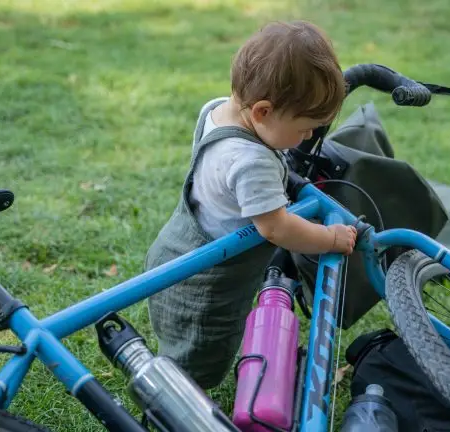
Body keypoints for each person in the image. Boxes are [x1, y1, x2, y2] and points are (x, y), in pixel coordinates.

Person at [144, 20, 357, 389]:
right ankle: (175, 405)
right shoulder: (251, 161)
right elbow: (276, 227)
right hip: (206, 283)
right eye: (306, 127)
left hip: (175, 249)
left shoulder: (216, 111)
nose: (309, 136)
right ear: (261, 112)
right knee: (195, 365)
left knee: (180, 345)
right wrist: (331, 238)